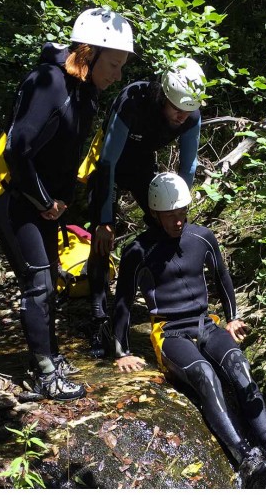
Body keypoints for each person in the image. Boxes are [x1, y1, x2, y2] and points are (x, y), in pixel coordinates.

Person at [107, 172, 266, 487]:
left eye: (182, 213)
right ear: (155, 213)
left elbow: (222, 277)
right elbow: (121, 302)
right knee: (204, 373)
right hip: (168, 331)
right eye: (170, 215)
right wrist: (122, 351)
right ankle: (246, 457)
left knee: (239, 363)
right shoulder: (138, 250)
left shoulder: (202, 237)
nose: (178, 221)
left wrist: (232, 317)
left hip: (206, 322)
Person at [0, 8, 133, 401]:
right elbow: (18, 148)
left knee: (50, 280)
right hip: (9, 191)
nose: (117, 75)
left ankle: (49, 357)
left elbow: (65, 156)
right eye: (113, 65)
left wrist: (60, 200)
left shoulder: (85, 95)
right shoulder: (47, 81)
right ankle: (45, 373)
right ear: (89, 52)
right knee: (39, 283)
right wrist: (45, 200)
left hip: (39, 198)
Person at [85, 58, 205, 352]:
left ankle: (168, 303)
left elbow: (188, 164)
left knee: (165, 229)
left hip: (141, 168)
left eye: (187, 110)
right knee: (102, 240)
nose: (181, 116)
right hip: (109, 165)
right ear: (163, 96)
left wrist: (177, 209)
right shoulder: (134, 100)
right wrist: (104, 221)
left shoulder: (190, 116)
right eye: (176, 108)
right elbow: (108, 162)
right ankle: (99, 315)